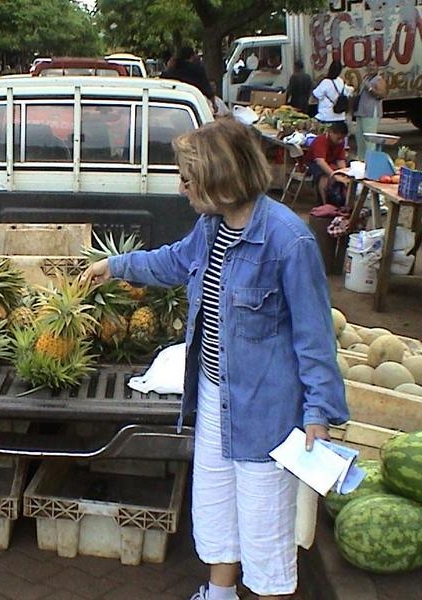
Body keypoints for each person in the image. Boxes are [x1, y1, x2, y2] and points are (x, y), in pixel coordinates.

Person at [83, 117, 348, 600]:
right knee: (217, 506)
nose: (181, 188)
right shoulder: (211, 227)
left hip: (266, 412)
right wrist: (115, 265)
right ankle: (219, 594)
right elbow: (172, 261)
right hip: (212, 399)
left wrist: (319, 414)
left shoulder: (288, 241)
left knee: (265, 526)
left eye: (189, 180)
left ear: (220, 181)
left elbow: (315, 337)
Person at [308, 121, 350, 205]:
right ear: (330, 133)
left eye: (342, 138)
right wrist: (334, 175)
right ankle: (324, 203)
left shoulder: (340, 142)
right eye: (338, 138)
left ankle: (344, 202)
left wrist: (344, 173)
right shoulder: (320, 141)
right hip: (314, 164)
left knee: (345, 177)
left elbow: (340, 160)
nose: (340, 141)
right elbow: (320, 161)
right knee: (324, 176)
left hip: (331, 163)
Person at [353, 59, 387, 160]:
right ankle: (361, 159)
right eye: (369, 66)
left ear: (377, 67)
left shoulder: (379, 79)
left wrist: (370, 88)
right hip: (361, 112)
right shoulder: (366, 78)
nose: (371, 68)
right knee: (359, 138)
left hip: (371, 112)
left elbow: (382, 95)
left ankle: (371, 161)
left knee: (370, 139)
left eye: (373, 65)